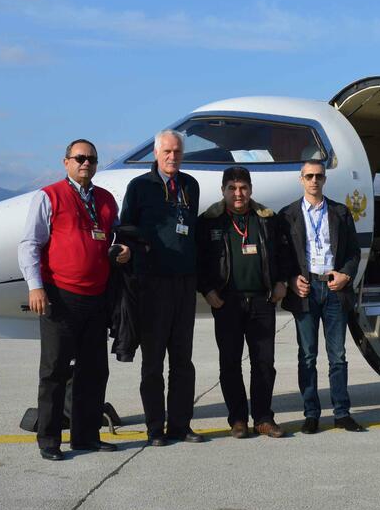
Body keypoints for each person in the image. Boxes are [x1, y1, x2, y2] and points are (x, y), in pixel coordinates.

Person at [18, 139, 130, 461]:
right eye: (80, 158)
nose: (86, 164)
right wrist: (35, 287)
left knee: (94, 371)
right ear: (65, 162)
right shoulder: (49, 196)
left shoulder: (106, 200)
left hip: (97, 298)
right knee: (54, 370)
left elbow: (116, 236)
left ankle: (86, 436)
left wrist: (123, 251)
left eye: (92, 159)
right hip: (59, 297)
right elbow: (29, 244)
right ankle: (49, 439)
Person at [119, 130, 203, 446]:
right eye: (167, 151)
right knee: (153, 363)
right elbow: (126, 229)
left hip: (184, 285)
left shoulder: (190, 186)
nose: (172, 157)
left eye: (177, 152)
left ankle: (180, 425)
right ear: (156, 153)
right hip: (152, 287)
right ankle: (155, 428)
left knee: (183, 361)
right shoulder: (139, 187)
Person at [198, 166, 287, 439]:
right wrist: (207, 290)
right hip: (227, 303)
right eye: (232, 189)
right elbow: (198, 261)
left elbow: (283, 253)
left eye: (243, 188)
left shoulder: (266, 219)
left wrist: (281, 282)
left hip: (262, 301)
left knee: (264, 362)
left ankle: (263, 418)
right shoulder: (209, 221)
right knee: (230, 363)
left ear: (250, 189)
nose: (239, 194)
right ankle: (237, 419)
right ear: (223, 190)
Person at [278, 160, 366, 434]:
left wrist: (346, 276)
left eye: (319, 176)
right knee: (307, 356)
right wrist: (291, 280)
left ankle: (342, 413)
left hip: (333, 289)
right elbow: (281, 256)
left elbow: (353, 251)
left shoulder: (340, 212)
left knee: (337, 356)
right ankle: (311, 414)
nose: (314, 181)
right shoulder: (287, 215)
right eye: (309, 176)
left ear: (324, 180)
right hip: (306, 290)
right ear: (301, 179)